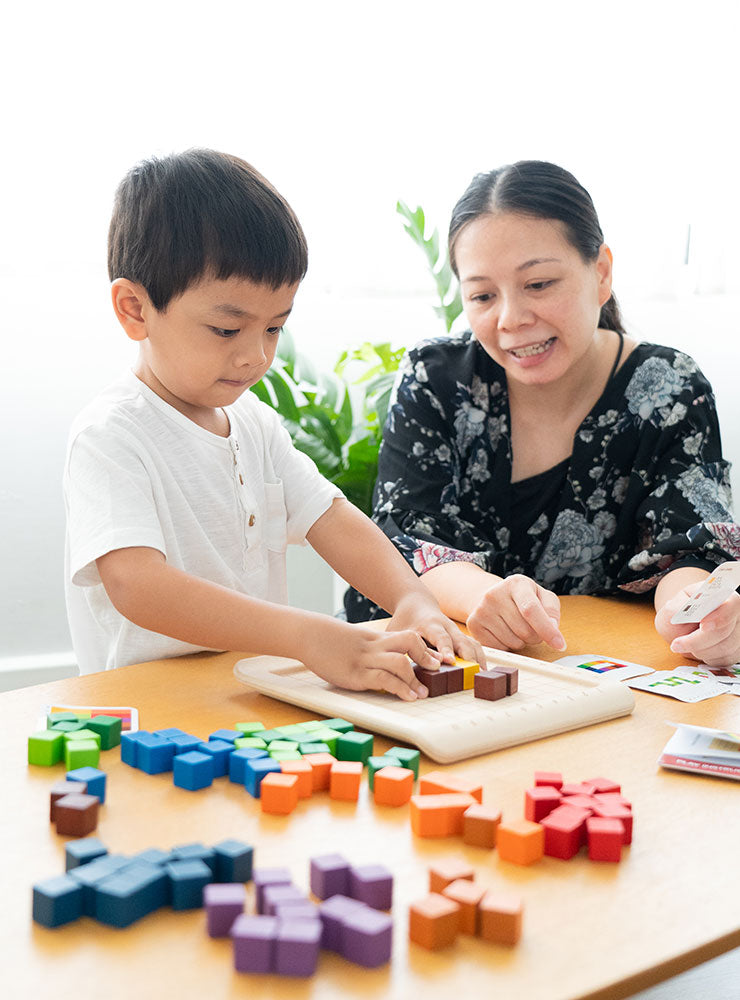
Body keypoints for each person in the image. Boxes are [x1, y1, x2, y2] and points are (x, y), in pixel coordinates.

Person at [64, 148, 483, 699]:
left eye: (274, 328)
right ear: (135, 309)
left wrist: (412, 598)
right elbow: (137, 585)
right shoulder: (111, 435)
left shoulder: (254, 424)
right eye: (226, 329)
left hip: (250, 695)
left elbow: (331, 517)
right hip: (149, 706)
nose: (255, 356)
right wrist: (306, 636)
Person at [345, 160, 740, 667]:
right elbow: (408, 543)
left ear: (600, 272)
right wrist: (482, 596)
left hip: (586, 683)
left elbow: (688, 549)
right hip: (421, 666)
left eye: (538, 284)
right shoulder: (435, 379)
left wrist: (697, 611)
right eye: (483, 295)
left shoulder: (669, 387)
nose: (511, 319)